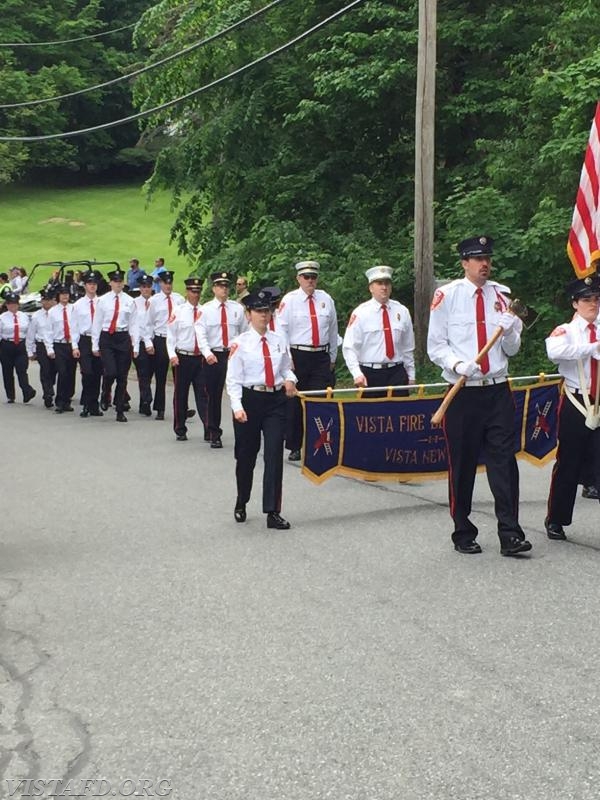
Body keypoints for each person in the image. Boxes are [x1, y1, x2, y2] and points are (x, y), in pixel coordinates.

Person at [427, 235, 532, 557]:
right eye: (477, 258)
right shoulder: (446, 296)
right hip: (463, 393)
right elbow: (435, 346)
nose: (484, 263)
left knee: (504, 462)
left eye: (487, 257)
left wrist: (512, 329)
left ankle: (510, 533)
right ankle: (463, 530)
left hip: (497, 388)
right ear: (464, 263)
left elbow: (512, 349)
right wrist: (459, 363)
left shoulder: (502, 296)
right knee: (463, 462)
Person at [226, 289, 297, 529]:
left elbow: (287, 368)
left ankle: (273, 511)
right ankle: (241, 499)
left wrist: (290, 379)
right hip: (249, 400)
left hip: (275, 401)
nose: (264, 316)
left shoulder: (279, 340)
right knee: (246, 456)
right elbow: (233, 380)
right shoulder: (240, 344)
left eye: (267, 311)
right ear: (248, 314)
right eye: (259, 311)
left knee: (274, 454)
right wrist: (237, 407)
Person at [544, 275, 600, 541]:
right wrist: (591, 348)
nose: (593, 304)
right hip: (577, 401)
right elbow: (554, 352)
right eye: (587, 300)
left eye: (596, 299)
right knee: (568, 462)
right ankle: (556, 518)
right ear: (575, 304)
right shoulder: (565, 331)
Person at [277, 260, 338, 461]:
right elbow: (281, 330)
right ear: (298, 279)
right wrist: (287, 358)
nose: (310, 281)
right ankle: (295, 445)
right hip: (298, 355)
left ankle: (318, 443)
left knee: (319, 400)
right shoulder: (290, 300)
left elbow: (333, 330)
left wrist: (332, 357)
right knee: (295, 401)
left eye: (313, 277)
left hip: (320, 355)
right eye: (306, 277)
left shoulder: (326, 299)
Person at [342, 265, 415, 397]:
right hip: (370, 374)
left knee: (400, 414)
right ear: (371, 288)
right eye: (379, 283)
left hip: (397, 372)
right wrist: (357, 373)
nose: (384, 287)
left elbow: (407, 346)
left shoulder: (402, 311)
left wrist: (411, 374)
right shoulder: (361, 313)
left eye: (387, 283)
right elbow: (349, 347)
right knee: (371, 415)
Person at [196, 271, 248, 448]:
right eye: (220, 286)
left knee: (239, 393)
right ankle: (213, 431)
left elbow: (244, 332)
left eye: (226, 286)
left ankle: (243, 429)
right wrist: (206, 352)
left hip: (233, 354)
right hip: (214, 355)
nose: (224, 289)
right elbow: (200, 333)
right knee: (214, 395)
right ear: (214, 289)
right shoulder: (205, 310)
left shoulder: (237, 309)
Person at [92, 267, 139, 422]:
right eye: (115, 281)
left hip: (122, 337)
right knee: (110, 371)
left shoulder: (130, 301)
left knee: (122, 376)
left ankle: (120, 409)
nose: (118, 284)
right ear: (110, 283)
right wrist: (95, 345)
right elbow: (97, 323)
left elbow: (134, 324)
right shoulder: (102, 300)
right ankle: (105, 393)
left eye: (120, 281)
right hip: (107, 337)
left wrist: (136, 345)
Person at [167, 277, 208, 441]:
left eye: (198, 292)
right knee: (181, 394)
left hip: (200, 358)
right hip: (183, 357)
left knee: (204, 394)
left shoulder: (205, 311)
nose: (195, 295)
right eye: (192, 291)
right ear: (187, 292)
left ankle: (208, 427)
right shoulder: (179, 311)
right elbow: (171, 335)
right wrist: (172, 355)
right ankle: (180, 428)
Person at [146, 271, 185, 420]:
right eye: (165, 283)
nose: (168, 286)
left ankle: (181, 408)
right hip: (161, 338)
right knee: (160, 375)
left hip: (176, 339)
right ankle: (160, 408)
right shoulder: (154, 300)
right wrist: (149, 342)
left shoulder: (179, 299)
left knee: (180, 377)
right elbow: (149, 323)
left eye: (170, 283)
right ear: (160, 284)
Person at [71, 271, 103, 417]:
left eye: (94, 284)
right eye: (90, 284)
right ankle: (87, 403)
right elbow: (74, 327)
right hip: (84, 339)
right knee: (87, 372)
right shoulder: (78, 305)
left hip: (99, 339)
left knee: (97, 373)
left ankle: (93, 404)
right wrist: (74, 346)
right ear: (85, 286)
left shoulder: (102, 303)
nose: (92, 286)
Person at [44, 283, 77, 414]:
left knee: (70, 373)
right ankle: (60, 401)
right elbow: (48, 332)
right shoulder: (53, 311)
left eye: (67, 294)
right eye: (62, 294)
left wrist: (75, 345)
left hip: (71, 344)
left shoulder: (74, 309)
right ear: (58, 296)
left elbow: (76, 328)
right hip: (59, 344)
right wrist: (49, 349)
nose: (65, 296)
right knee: (62, 372)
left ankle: (67, 399)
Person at [0, 291, 36, 403]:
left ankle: (27, 391)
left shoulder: (24, 316)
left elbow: (30, 333)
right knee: (7, 371)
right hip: (7, 345)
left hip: (21, 345)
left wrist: (31, 348)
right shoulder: (2, 318)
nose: (13, 306)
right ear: (6, 305)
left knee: (22, 370)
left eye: (15, 303)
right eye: (10, 303)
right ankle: (10, 395)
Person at [26, 288, 57, 408]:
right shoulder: (36, 316)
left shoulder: (57, 313)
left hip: (56, 344)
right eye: (45, 300)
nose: (48, 303)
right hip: (41, 345)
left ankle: (50, 385)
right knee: (45, 368)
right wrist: (30, 350)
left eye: (50, 300)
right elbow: (30, 335)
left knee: (54, 369)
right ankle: (48, 393)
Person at [133, 273, 155, 416]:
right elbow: (135, 325)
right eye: (143, 287)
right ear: (140, 288)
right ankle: (147, 399)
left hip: (155, 342)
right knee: (143, 373)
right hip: (140, 342)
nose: (146, 289)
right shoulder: (134, 303)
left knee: (150, 372)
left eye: (148, 286)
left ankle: (144, 402)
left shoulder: (156, 302)